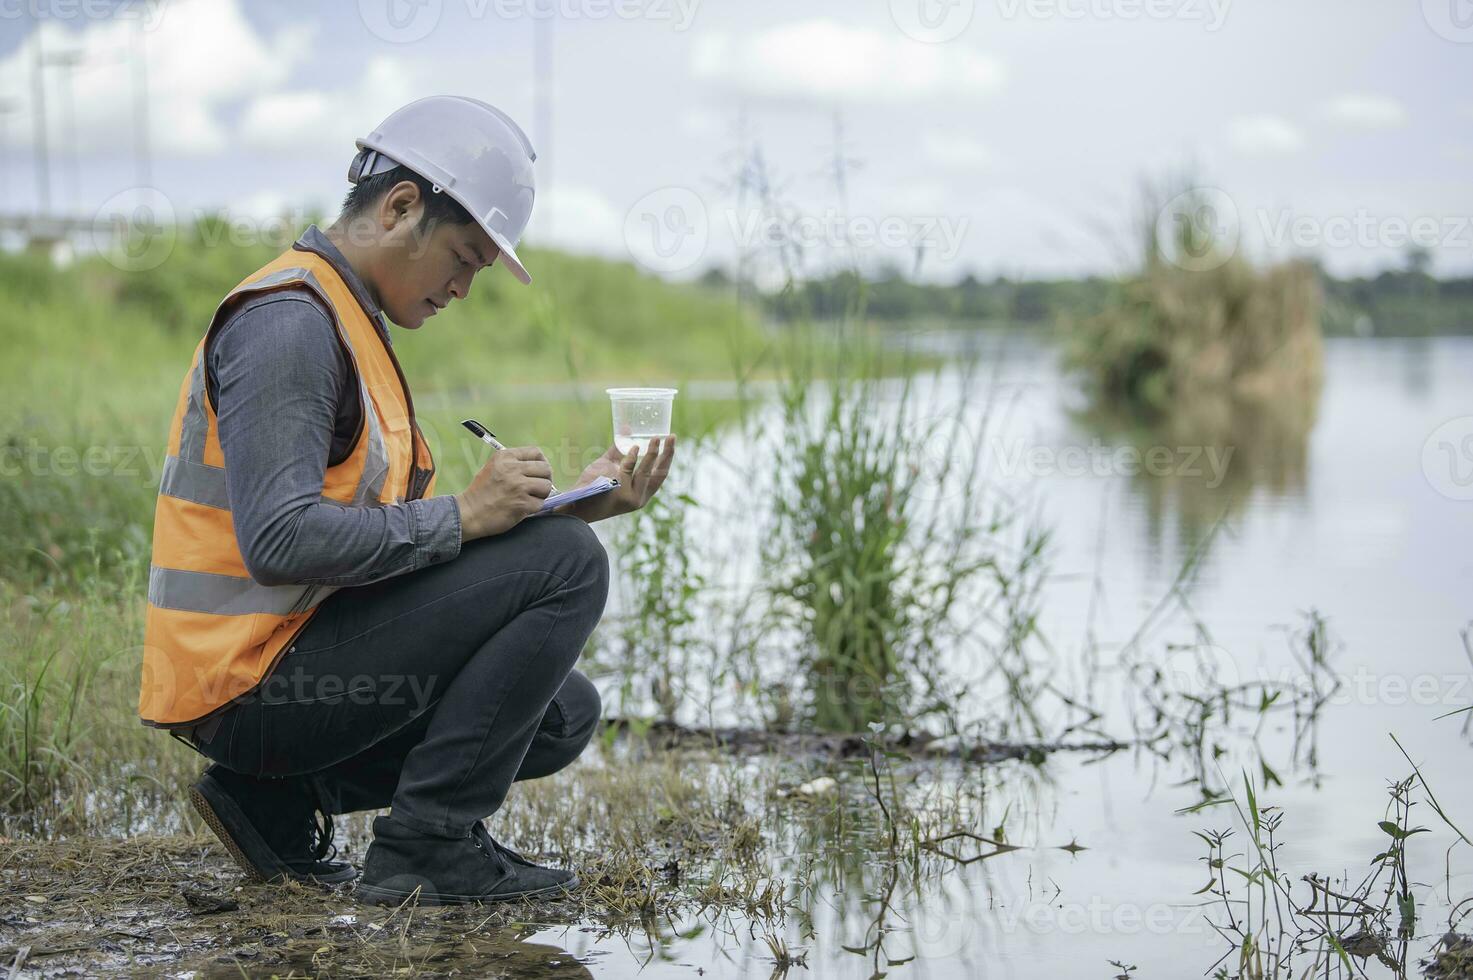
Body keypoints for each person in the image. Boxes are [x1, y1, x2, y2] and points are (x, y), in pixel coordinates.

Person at [136, 95, 675, 905]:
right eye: (462, 257)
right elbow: (280, 542)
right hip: (246, 686)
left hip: (292, 661)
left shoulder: (349, 315)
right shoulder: (290, 323)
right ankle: (427, 847)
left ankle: (277, 798)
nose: (462, 287)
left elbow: (373, 538)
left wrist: (570, 507)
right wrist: (466, 514)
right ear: (399, 207)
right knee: (566, 567)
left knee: (561, 710)